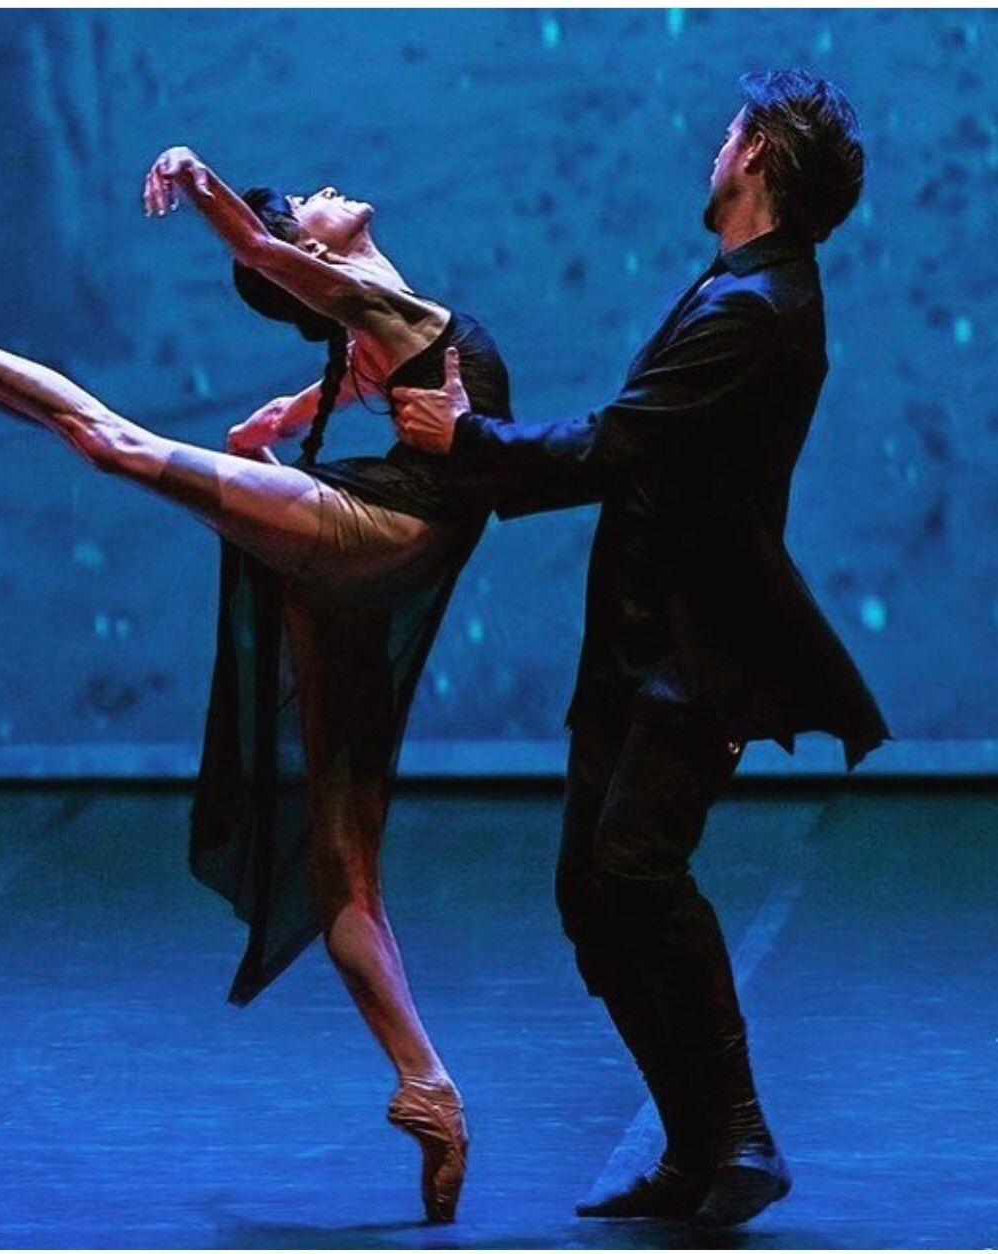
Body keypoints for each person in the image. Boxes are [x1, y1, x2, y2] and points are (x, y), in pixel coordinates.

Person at [0, 145, 515, 1224]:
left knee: (105, 441)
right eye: (304, 204)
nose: (319, 189)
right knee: (341, 867)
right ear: (313, 256)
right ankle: (428, 1085)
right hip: (373, 538)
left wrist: (271, 437)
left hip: (377, 541)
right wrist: (196, 174)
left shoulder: (378, 327)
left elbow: (281, 356)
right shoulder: (370, 310)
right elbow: (259, 252)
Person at [392, 69, 891, 1227]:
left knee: (632, 869)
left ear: (757, 155)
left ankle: (742, 1133)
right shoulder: (740, 285)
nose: (713, 148)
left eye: (728, 133)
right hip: (638, 641)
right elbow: (642, 455)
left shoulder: (756, 307)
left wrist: (468, 442)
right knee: (589, 892)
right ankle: (695, 1147)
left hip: (696, 652)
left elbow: (617, 444)